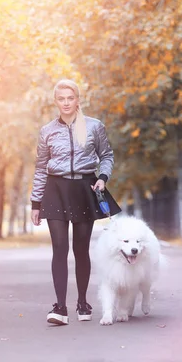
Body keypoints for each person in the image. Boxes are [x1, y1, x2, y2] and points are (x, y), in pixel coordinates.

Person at [30, 79, 122, 325]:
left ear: (77, 100)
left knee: (80, 249)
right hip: (55, 189)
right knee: (59, 248)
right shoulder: (47, 131)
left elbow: (107, 156)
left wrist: (102, 178)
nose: (66, 103)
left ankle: (83, 302)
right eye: (61, 98)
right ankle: (60, 307)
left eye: (70, 98)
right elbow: (40, 169)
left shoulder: (94, 127)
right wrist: (35, 203)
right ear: (56, 101)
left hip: (84, 188)